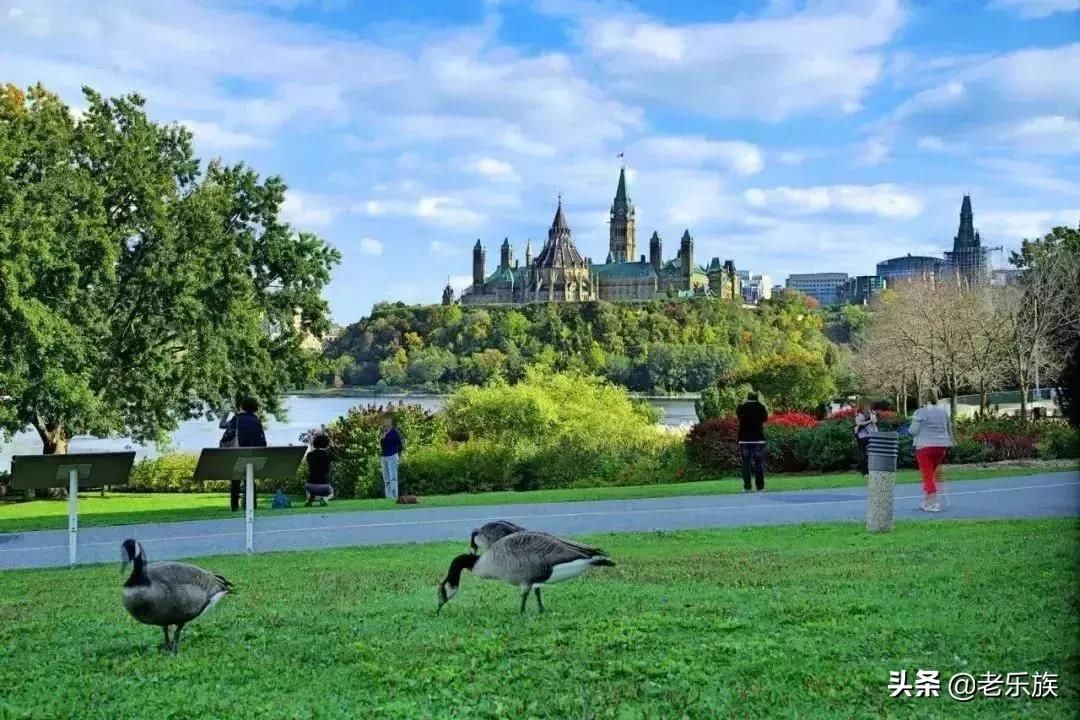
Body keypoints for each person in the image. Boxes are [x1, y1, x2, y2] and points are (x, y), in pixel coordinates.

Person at [220, 397, 267, 512]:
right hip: (252, 454)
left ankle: (234, 506)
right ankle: (252, 505)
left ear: (242, 406)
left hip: (237, 453)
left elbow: (225, 432)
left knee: (235, 480)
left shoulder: (236, 419)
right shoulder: (256, 421)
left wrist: (227, 412)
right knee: (250, 480)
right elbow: (262, 441)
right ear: (255, 408)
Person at [909, 389, 952, 512]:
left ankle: (934, 503)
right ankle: (926, 501)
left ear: (923, 398)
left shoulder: (920, 412)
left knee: (927, 475)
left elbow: (913, 431)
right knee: (931, 474)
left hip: (924, 446)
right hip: (941, 447)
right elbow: (948, 428)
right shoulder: (943, 412)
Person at [736, 391, 769, 492]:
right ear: (757, 398)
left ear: (747, 397)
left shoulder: (742, 407)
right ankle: (760, 487)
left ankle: (747, 487)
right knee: (758, 463)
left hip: (744, 439)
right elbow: (765, 418)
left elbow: (738, 414)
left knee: (746, 464)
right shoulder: (761, 407)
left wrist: (742, 402)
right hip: (758, 438)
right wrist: (761, 403)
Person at [303, 433, 337, 507]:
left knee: (314, 491)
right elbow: (336, 458)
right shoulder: (328, 454)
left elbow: (312, 459)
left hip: (309, 485)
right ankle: (325, 499)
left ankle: (309, 502)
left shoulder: (309, 455)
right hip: (324, 485)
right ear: (327, 444)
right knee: (332, 493)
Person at [379, 412, 404, 501]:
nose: (386, 422)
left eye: (388, 420)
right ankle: (388, 497)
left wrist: (400, 456)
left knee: (393, 478)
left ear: (391, 421)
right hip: (384, 457)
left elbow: (400, 445)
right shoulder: (382, 432)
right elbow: (382, 446)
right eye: (385, 420)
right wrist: (382, 438)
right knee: (386, 479)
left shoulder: (395, 432)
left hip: (393, 456)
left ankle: (394, 496)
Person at [854, 399, 878, 478]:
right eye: (867, 405)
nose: (868, 406)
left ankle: (873, 470)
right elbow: (858, 423)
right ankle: (865, 472)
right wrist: (869, 421)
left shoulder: (871, 412)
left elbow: (874, 422)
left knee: (873, 452)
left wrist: (872, 415)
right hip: (861, 435)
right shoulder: (858, 414)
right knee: (863, 454)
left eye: (869, 405)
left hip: (870, 434)